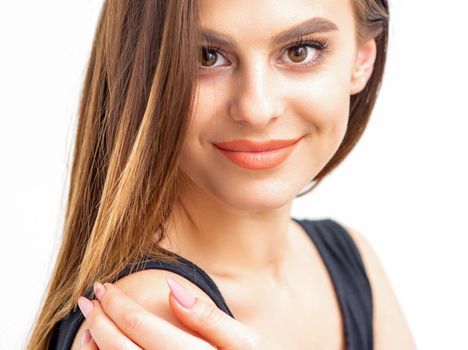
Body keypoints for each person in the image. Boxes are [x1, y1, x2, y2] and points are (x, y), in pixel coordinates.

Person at [28, 0, 415, 349]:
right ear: (144, 76)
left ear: (362, 60)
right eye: (206, 56)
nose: (256, 108)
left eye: (300, 51)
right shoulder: (155, 313)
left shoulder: (351, 260)